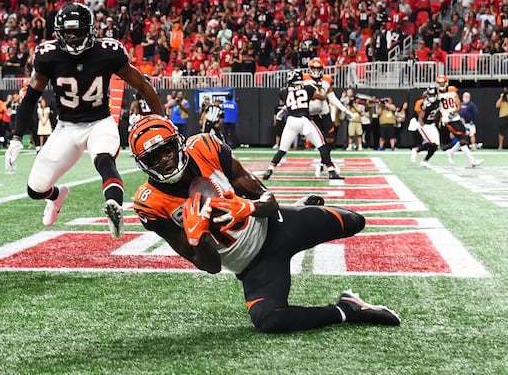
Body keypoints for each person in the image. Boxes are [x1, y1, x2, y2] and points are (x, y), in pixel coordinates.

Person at [129, 115, 400, 333]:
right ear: (143, 164)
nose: (164, 160)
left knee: (355, 221)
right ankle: (348, 309)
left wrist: (247, 206)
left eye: (165, 150)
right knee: (270, 320)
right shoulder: (151, 204)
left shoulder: (205, 148)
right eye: (154, 157)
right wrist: (197, 238)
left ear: (177, 142)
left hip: (277, 225)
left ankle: (302, 209)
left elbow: (268, 202)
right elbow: (211, 267)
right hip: (253, 266)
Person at [4, 3, 164, 239]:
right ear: (59, 33)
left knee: (103, 159)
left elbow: (141, 84)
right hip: (66, 128)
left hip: (99, 122)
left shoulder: (109, 52)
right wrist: (16, 137)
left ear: (90, 30)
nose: (73, 37)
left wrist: (161, 119)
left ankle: (114, 206)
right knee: (36, 189)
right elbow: (30, 98)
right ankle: (57, 196)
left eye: (78, 32)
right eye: (68, 33)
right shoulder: (48, 56)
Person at [262, 69, 340, 181]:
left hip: (291, 121)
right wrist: (319, 88)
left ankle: (269, 170)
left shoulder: (283, 92)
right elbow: (322, 97)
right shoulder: (308, 88)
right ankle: (331, 171)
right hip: (305, 120)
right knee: (321, 146)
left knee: (282, 149)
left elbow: (289, 101)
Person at [302, 58, 359, 177]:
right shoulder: (304, 78)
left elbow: (332, 97)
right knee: (320, 142)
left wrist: (345, 110)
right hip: (311, 115)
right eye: (314, 68)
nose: (316, 70)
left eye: (318, 68)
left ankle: (323, 163)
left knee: (330, 140)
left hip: (324, 113)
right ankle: (329, 166)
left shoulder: (327, 79)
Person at [411, 85, 442, 168]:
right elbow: (420, 117)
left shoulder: (439, 100)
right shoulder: (425, 104)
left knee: (436, 145)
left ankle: (425, 161)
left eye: (433, 95)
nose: (431, 97)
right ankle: (416, 151)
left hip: (432, 125)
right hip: (424, 125)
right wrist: (423, 127)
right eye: (430, 95)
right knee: (431, 142)